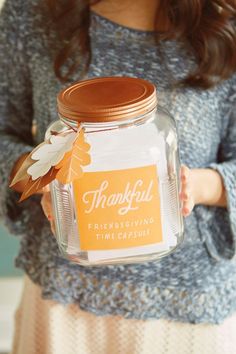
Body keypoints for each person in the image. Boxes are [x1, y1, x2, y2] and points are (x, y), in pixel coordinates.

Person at [0, 0, 235, 353]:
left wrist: (198, 186)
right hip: (63, 301)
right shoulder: (31, 12)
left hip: (189, 312)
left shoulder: (225, 24)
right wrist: (43, 175)